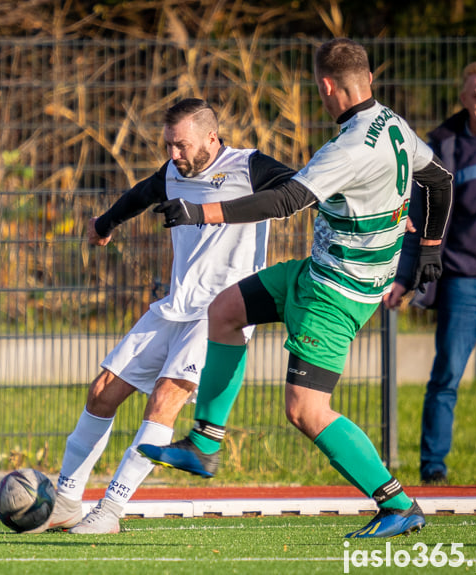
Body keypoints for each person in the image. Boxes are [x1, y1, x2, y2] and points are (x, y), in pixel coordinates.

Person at [139, 38, 453, 538]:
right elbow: (439, 180)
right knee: (224, 310)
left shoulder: (347, 148)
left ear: (326, 87)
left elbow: (284, 201)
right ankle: (204, 445)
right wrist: (431, 246)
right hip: (318, 271)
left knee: (306, 410)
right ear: (367, 79)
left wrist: (199, 212)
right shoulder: (392, 124)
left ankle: (397, 503)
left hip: (337, 293)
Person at [29, 98, 295, 534]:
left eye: (182, 145)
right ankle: (66, 501)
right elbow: (142, 193)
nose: (174, 154)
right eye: (169, 145)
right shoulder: (174, 171)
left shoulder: (250, 166)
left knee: (165, 400)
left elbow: (304, 190)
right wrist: (105, 224)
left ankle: (110, 511)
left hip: (221, 313)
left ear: (211, 137)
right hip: (175, 306)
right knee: (102, 392)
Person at [387, 60, 476, 486]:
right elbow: (419, 219)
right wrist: (404, 277)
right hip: (463, 281)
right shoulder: (441, 145)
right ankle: (433, 468)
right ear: (463, 97)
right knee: (447, 376)